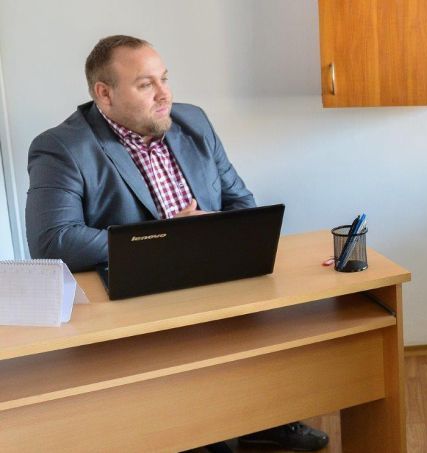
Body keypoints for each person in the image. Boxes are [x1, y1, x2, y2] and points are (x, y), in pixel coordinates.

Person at [25, 35, 329, 453]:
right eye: (145, 84)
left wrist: (209, 232)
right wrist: (167, 238)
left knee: (283, 326)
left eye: (164, 79)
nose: (164, 94)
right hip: (134, 297)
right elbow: (53, 241)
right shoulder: (63, 146)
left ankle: (262, 417)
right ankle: (199, 433)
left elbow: (241, 203)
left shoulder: (193, 122)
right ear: (104, 94)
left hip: (212, 278)